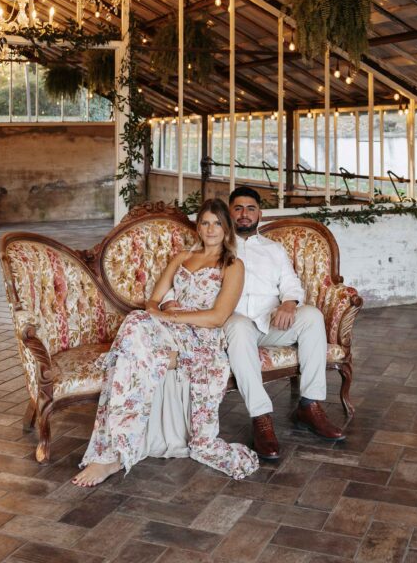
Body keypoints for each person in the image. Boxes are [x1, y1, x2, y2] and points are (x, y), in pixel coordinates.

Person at [73, 198, 259, 487]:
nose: (211, 230)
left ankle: (113, 454)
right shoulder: (181, 258)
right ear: (198, 226)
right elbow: (152, 303)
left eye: (217, 224)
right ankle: (114, 452)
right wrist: (165, 307)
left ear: (227, 229)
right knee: (135, 323)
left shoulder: (233, 265)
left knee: (133, 339)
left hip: (201, 337)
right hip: (169, 329)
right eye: (205, 223)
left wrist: (174, 317)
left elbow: (218, 317)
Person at [224, 185, 345, 461]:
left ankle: (309, 405)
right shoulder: (217, 245)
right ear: (229, 212)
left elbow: (291, 284)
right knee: (239, 327)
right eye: (238, 208)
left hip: (271, 322)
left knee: (312, 316)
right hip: (236, 324)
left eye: (251, 209)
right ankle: (261, 418)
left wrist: (289, 303)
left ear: (260, 214)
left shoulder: (273, 249)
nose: (244, 214)